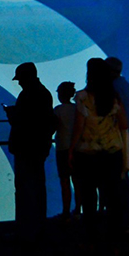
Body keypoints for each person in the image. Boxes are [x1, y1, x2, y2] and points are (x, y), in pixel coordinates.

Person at [70, 58, 129, 251]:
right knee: (113, 197)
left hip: (87, 154)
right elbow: (124, 124)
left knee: (89, 198)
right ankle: (115, 237)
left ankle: (91, 239)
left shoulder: (83, 97)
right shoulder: (114, 97)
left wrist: (71, 149)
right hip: (112, 153)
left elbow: (79, 126)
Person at [4, 62, 56, 242]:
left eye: (20, 79)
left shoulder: (28, 95)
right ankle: (38, 229)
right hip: (38, 149)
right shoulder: (44, 94)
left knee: (25, 190)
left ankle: (25, 231)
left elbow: (22, 122)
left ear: (26, 77)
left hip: (25, 149)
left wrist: (12, 114)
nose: (18, 83)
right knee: (37, 188)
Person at [106, 56, 129, 220]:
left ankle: (119, 216)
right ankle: (124, 214)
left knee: (117, 180)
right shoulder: (127, 87)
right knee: (123, 178)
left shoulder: (114, 88)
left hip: (117, 141)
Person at [53, 81, 79, 221]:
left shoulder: (58, 110)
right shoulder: (77, 109)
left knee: (64, 181)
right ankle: (78, 209)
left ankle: (66, 211)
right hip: (76, 148)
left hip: (62, 148)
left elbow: (53, 126)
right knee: (77, 180)